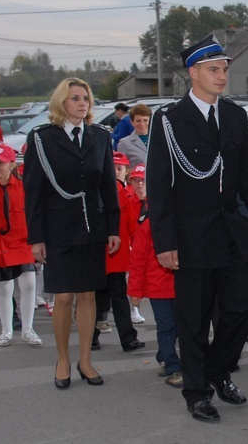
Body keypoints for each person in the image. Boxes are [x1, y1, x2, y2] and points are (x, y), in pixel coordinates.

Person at [146, 34, 248, 423]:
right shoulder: (170, 120)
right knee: (194, 319)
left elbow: (246, 177)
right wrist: (165, 241)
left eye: (225, 69)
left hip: (233, 229)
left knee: (244, 304)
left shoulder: (232, 115)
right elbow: (159, 186)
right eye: (214, 69)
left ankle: (216, 369)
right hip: (191, 234)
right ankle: (197, 391)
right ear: (193, 73)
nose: (222, 75)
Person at [23, 77, 121, 389]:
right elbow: (33, 191)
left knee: (88, 294)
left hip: (92, 226)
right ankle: (63, 359)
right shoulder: (42, 138)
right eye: (76, 98)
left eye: (86, 99)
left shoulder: (100, 137)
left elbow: (108, 186)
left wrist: (113, 229)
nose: (83, 104)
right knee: (63, 296)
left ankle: (86, 361)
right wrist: (36, 236)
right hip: (57, 229)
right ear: (61, 102)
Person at [0, 144, 41, 347]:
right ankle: (6, 330)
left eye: (0, 163)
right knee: (4, 288)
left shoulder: (24, 186)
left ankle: (28, 329)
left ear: (12, 164)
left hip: (22, 243)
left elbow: (34, 216)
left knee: (29, 284)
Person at [127, 164, 182, 388]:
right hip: (159, 289)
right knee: (167, 326)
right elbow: (137, 261)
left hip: (181, 287)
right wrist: (135, 293)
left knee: (178, 327)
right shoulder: (148, 226)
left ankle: (164, 356)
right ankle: (172, 366)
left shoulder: (183, 223)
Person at [91, 151, 145, 353]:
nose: (114, 172)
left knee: (118, 297)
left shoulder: (123, 192)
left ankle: (127, 338)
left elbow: (131, 223)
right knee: (96, 299)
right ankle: (92, 337)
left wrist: (136, 248)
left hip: (116, 255)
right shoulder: (96, 188)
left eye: (119, 169)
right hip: (98, 255)